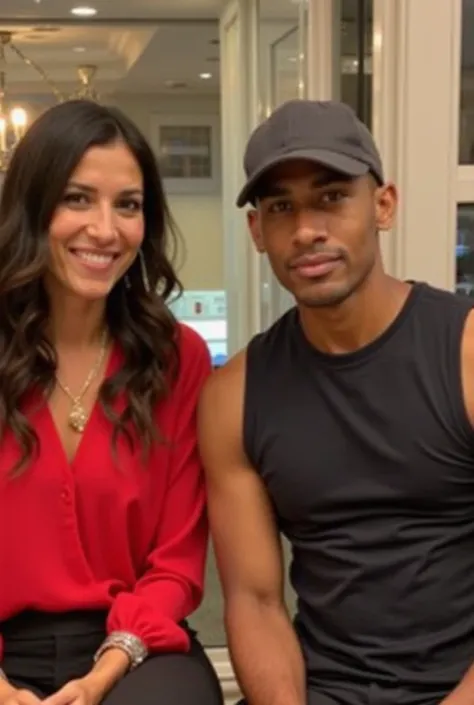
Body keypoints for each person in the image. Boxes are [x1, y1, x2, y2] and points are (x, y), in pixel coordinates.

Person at [198, 98, 474, 705]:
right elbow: (254, 600)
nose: (306, 230)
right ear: (257, 231)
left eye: (331, 197)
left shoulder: (465, 352)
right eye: (281, 207)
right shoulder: (233, 396)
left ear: (383, 205)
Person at [0, 99, 223, 705]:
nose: (105, 230)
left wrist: (107, 669)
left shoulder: (177, 358)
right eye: (77, 199)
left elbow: (177, 559)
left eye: (127, 205)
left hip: (134, 643)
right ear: (32, 206)